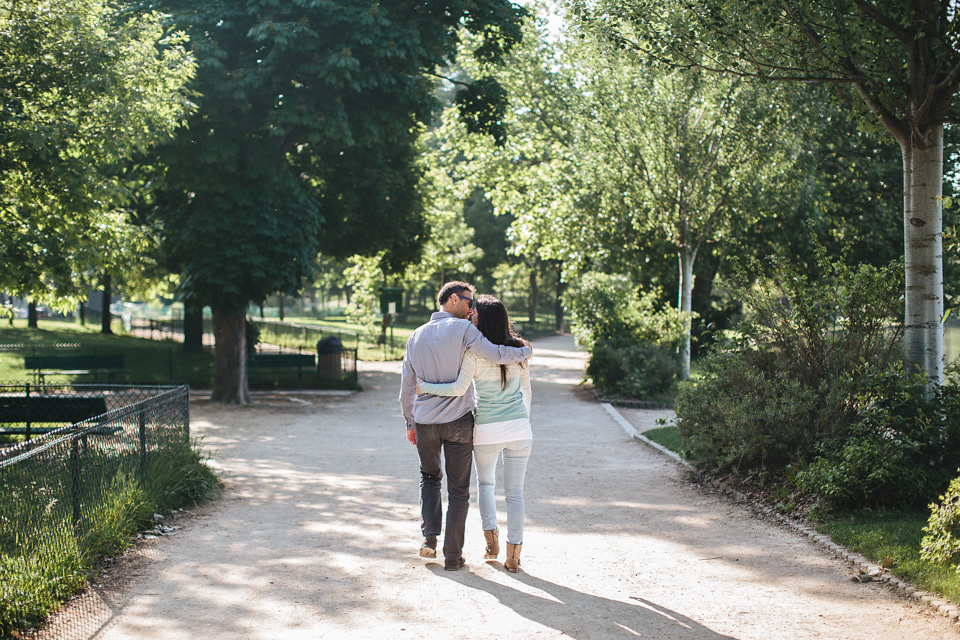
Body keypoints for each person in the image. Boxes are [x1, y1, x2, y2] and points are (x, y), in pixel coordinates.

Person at [399, 282, 531, 571]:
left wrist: (410, 422)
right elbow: (496, 354)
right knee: (459, 491)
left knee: (429, 478)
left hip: (425, 421)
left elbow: (407, 386)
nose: (472, 308)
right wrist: (524, 352)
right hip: (459, 421)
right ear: (453, 299)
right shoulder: (464, 331)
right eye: (469, 302)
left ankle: (429, 539)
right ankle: (453, 556)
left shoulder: (415, 336)